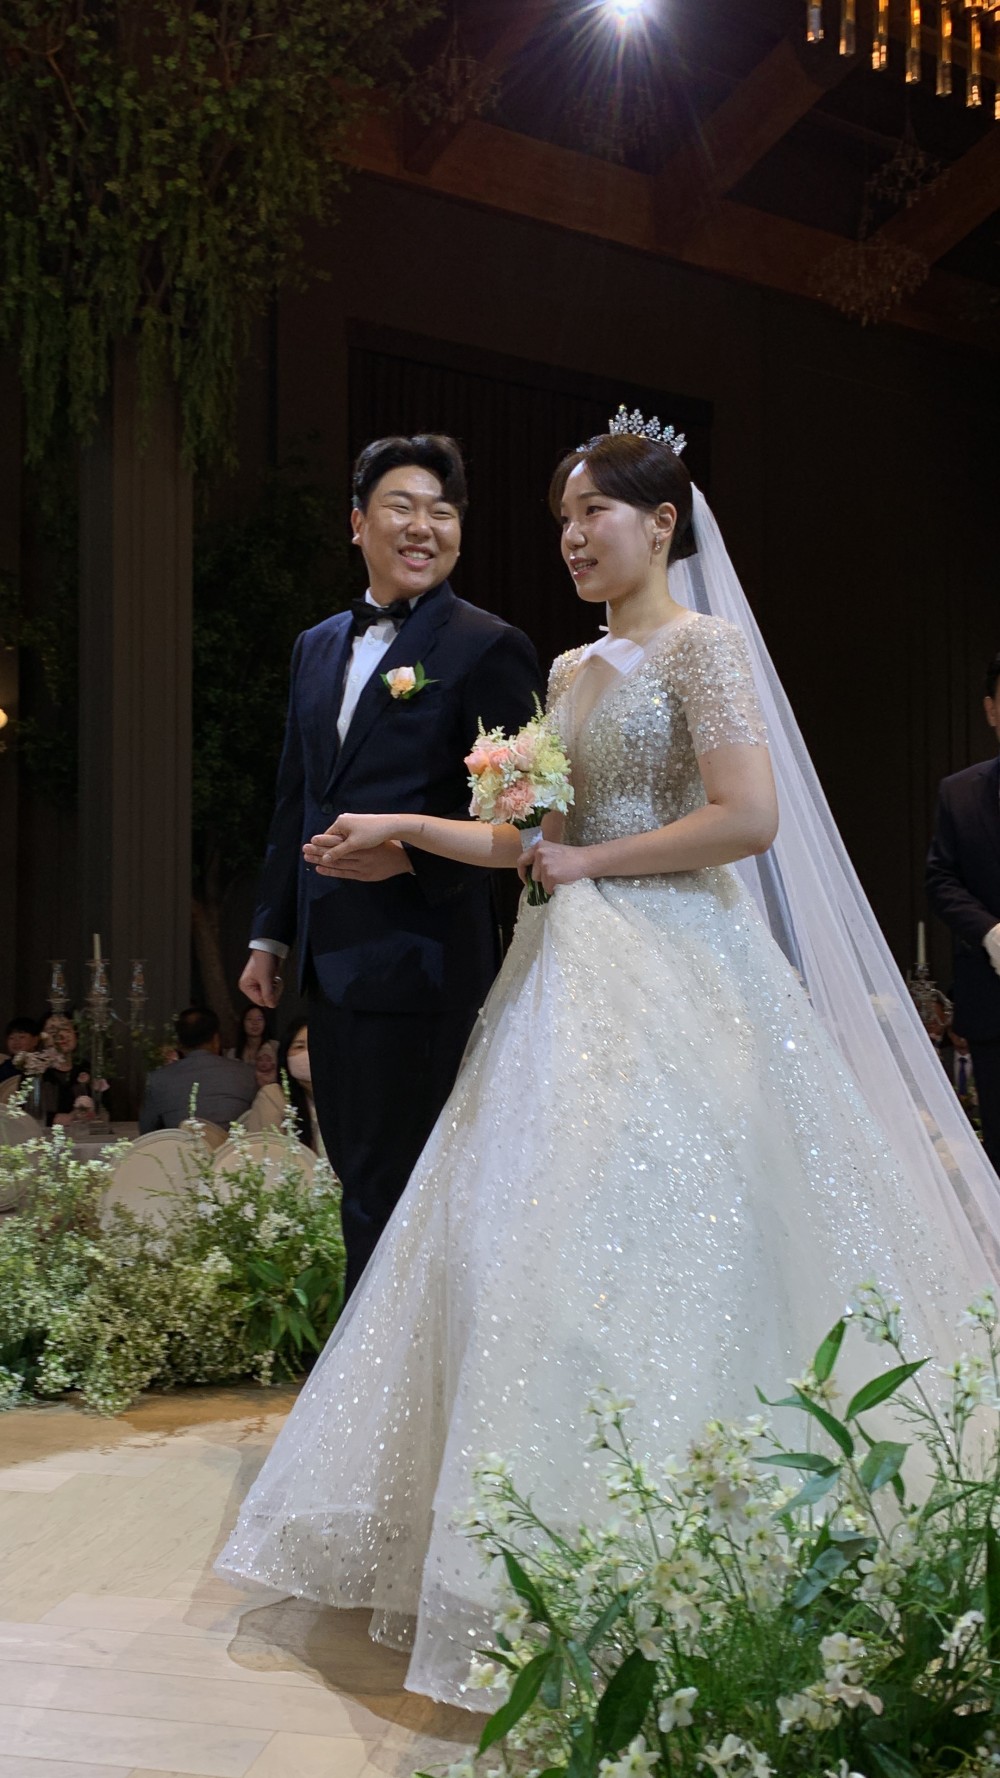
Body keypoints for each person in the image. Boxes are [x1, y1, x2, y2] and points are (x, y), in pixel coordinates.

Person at [219, 417, 997, 1708]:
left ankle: (695, 1544)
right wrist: (403, 824)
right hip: (564, 978)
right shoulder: (571, 666)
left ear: (662, 523)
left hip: (686, 970)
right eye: (563, 519)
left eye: (596, 513)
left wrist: (590, 862)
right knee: (522, 1249)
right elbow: (525, 837)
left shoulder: (704, 647)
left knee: (690, 1242)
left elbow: (747, 816)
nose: (574, 537)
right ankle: (535, 1550)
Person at [238, 433, 543, 1295]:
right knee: (359, 1182)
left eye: (442, 513)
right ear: (357, 523)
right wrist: (270, 934)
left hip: (428, 962)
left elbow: (524, 825)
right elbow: (297, 799)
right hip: (330, 963)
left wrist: (411, 858)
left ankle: (395, 1372)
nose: (423, 527)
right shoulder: (315, 645)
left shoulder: (489, 646)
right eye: (401, 507)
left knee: (413, 1193)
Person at [927, 651, 1000, 1172]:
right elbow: (941, 880)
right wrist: (991, 933)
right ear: (991, 710)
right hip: (993, 1002)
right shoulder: (959, 793)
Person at [139, 1007, 255, 1133]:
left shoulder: (158, 1079)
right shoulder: (246, 1073)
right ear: (216, 1040)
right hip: (236, 1145)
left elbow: (147, 1133)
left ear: (179, 1044)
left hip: (180, 1145)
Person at [244, 1017, 323, 1153]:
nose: (308, 1053)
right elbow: (265, 1154)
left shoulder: (347, 1098)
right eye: (299, 1047)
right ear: (285, 1055)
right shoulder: (273, 1096)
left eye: (316, 1045)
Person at [227, 1004, 277, 1069]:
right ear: (243, 1023)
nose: (255, 1023)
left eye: (259, 1019)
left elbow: (282, 1072)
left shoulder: (275, 1048)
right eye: (249, 1019)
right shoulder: (233, 1053)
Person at [0, 1015, 40, 1087]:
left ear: (35, 1040)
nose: (16, 1042)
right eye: (11, 1038)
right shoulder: (5, 1068)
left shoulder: (44, 1063)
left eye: (22, 1037)